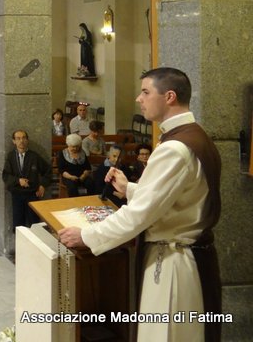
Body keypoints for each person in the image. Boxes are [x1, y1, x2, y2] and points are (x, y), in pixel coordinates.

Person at [59, 67, 222, 342]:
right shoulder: (194, 135)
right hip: (185, 257)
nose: (139, 98)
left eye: (146, 92)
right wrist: (131, 189)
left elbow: (138, 216)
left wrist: (87, 236)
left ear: (169, 96)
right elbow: (179, 198)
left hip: (172, 264)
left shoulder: (175, 148)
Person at [1, 130, 50, 228]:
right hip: (17, 193)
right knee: (18, 224)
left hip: (32, 194)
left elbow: (47, 171)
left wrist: (42, 185)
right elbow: (6, 175)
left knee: (34, 223)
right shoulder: (11, 156)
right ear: (14, 141)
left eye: (24, 138)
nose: (21, 141)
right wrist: (18, 181)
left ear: (27, 140)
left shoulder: (34, 156)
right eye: (18, 138)